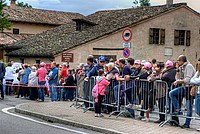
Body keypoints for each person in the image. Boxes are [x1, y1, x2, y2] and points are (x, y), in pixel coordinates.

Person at [169, 55, 195, 128]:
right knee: (171, 93)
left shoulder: (189, 66)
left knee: (188, 106)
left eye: (178, 60)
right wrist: (177, 71)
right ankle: (178, 109)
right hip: (184, 87)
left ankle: (187, 123)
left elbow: (187, 79)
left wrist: (178, 81)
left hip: (190, 88)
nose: (177, 62)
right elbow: (177, 78)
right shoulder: (181, 67)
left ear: (182, 61)